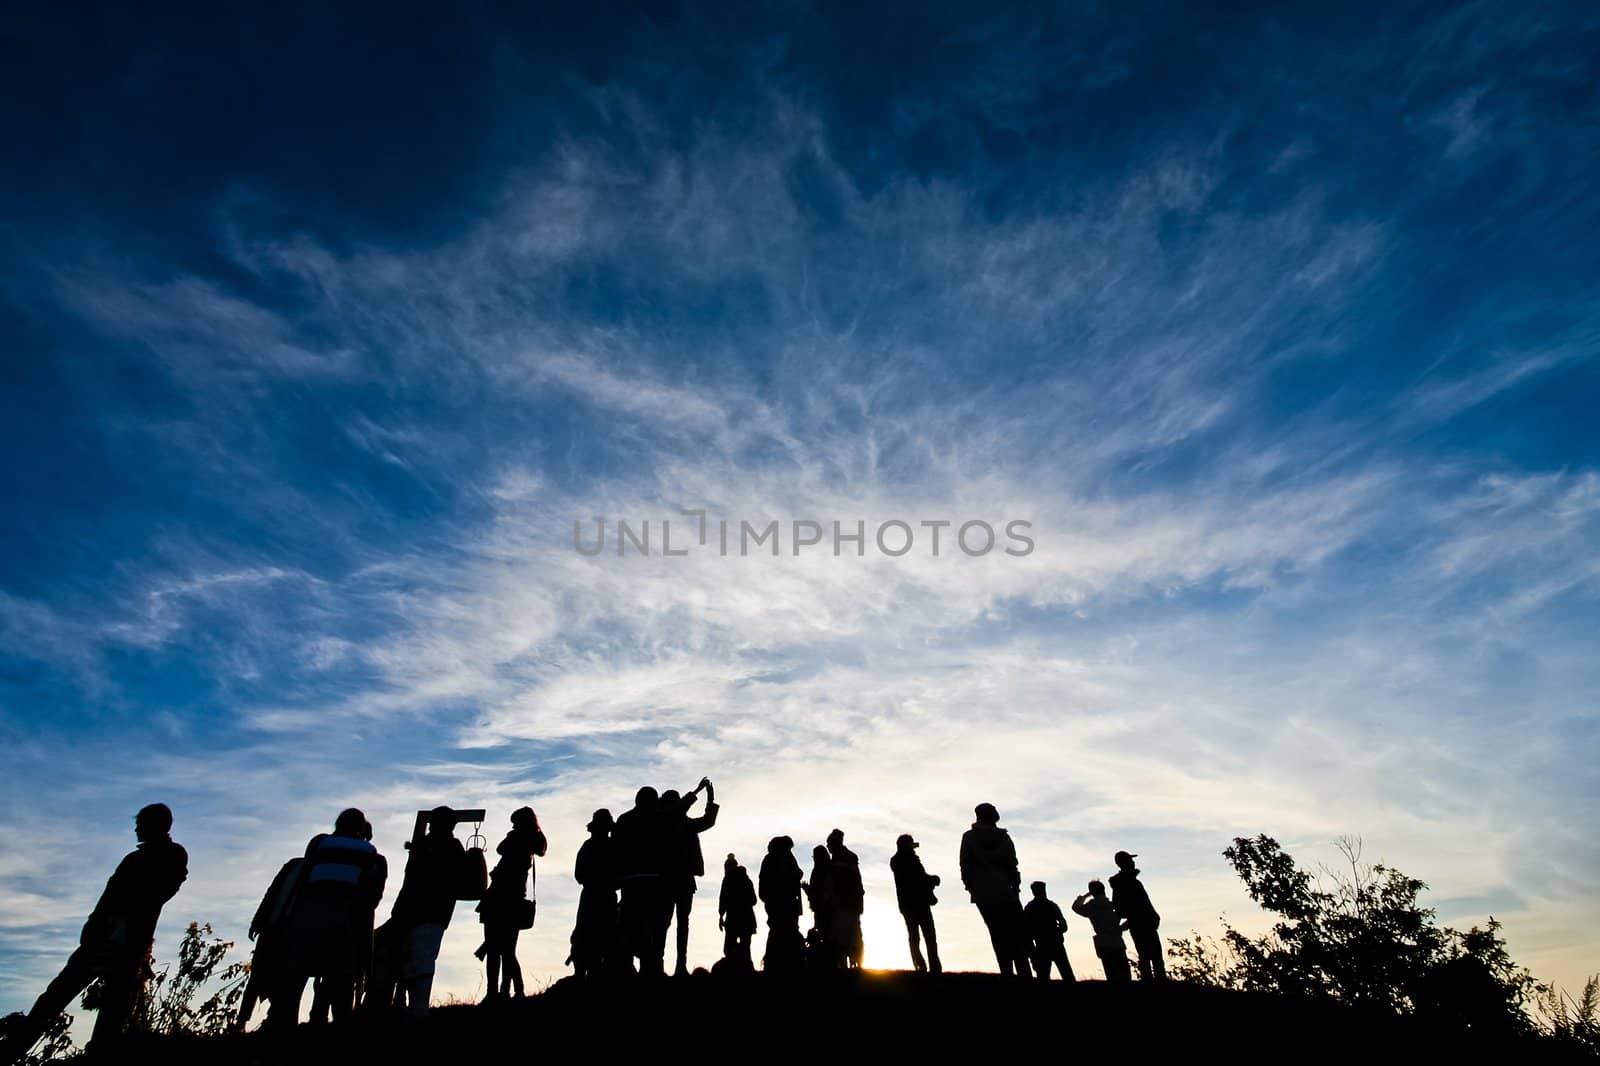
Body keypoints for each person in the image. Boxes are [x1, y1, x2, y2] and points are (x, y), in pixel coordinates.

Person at [1, 804, 187, 1062]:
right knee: (57, 997)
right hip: (102, 939)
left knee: (109, 1009)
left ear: (154, 825)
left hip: (127, 943)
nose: (136, 828)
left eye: (140, 823)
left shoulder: (171, 855)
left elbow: (163, 888)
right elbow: (109, 897)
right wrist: (93, 926)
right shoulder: (134, 859)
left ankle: (94, 1057)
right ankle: (14, 1050)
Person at [267, 808, 387, 1028]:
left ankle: (282, 1028)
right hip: (343, 918)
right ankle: (339, 1026)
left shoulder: (319, 843)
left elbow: (304, 873)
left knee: (295, 978)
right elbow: (370, 895)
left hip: (307, 915)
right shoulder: (370, 853)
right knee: (341, 978)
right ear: (361, 828)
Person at [388, 807, 466, 1015]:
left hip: (428, 911)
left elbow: (414, 878)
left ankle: (416, 1007)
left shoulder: (446, 847)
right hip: (425, 911)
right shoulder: (447, 847)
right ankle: (407, 1004)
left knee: (417, 958)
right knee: (410, 957)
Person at [474, 807, 546, 1000]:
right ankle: (509, 991)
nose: (513, 826)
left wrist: (514, 834)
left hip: (501, 898)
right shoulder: (533, 839)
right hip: (510, 899)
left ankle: (498, 992)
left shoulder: (518, 839)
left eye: (515, 823)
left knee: (497, 949)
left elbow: (501, 848)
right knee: (506, 950)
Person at [959, 803, 1031, 977]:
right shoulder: (1004, 838)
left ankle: (1006, 971)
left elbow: (965, 865)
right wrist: (1015, 886)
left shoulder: (969, 838)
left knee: (997, 933)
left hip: (983, 893)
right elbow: (1012, 864)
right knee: (1015, 934)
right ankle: (1024, 973)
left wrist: (970, 887)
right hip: (1006, 891)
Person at [235, 856, 303, 1029]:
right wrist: (258, 920)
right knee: (259, 976)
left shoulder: (305, 868)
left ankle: (270, 1020)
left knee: (281, 980)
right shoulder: (294, 866)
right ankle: (242, 1022)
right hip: (275, 927)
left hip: (289, 931)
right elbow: (272, 892)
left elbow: (272, 892)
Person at [613, 787, 674, 975]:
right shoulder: (661, 820)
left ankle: (628, 971)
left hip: (631, 883)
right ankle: (651, 972)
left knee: (631, 931)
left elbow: (616, 851)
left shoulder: (624, 820)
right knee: (654, 932)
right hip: (655, 883)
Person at [662, 777, 719, 976]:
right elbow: (679, 810)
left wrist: (710, 799)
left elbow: (707, 821)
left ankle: (680, 964)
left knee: (682, 923)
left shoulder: (685, 824)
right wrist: (697, 790)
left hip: (685, 880)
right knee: (665, 922)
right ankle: (659, 963)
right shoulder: (665, 821)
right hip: (668, 879)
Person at [569, 808, 617, 978]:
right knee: (598, 934)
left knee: (588, 933)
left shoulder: (589, 846)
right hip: (601, 896)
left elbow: (579, 875)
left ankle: (586, 971)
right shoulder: (613, 846)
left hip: (593, 895)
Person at [1109, 850, 1165, 981]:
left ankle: (1153, 980)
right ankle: (1157, 981)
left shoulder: (1127, 882)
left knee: (1148, 955)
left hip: (1141, 922)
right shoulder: (1125, 883)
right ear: (1123, 863)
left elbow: (1120, 907)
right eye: (1130, 860)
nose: (1133, 862)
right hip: (1141, 923)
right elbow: (1123, 907)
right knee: (1152, 956)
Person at [889, 834, 942, 974]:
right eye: (910, 843)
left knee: (918, 937)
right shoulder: (905, 860)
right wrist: (933, 880)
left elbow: (917, 877)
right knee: (925, 937)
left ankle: (923, 966)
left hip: (910, 904)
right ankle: (929, 967)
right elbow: (917, 878)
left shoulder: (897, 860)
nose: (913, 846)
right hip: (916, 903)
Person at [758, 836, 804, 973]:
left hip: (785, 904)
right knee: (779, 934)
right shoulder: (778, 859)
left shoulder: (784, 858)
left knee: (783, 934)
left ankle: (784, 964)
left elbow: (798, 873)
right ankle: (775, 964)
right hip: (780, 904)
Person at [1072, 881, 1130, 981]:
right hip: (1117, 941)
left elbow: (1076, 907)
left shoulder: (1091, 907)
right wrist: (1120, 928)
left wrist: (1085, 896)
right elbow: (1129, 916)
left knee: (1111, 974)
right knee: (1124, 973)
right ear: (1103, 890)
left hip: (1103, 942)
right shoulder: (1113, 905)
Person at [826, 829, 864, 969]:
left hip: (844, 903)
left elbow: (845, 883)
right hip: (850, 903)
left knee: (845, 935)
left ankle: (847, 964)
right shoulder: (848, 857)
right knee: (852, 935)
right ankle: (854, 963)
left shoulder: (841, 859)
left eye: (829, 843)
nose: (828, 846)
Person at [1024, 881, 1074, 982]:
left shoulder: (1029, 907)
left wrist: (1031, 949)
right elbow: (1063, 925)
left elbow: (1026, 930)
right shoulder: (1051, 905)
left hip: (1041, 945)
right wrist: (1057, 932)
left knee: (1043, 977)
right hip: (1055, 944)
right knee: (1067, 975)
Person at [717, 853, 757, 971]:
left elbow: (722, 899)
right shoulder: (746, 879)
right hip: (747, 919)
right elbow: (754, 900)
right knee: (746, 949)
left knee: (729, 950)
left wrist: (721, 915)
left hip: (733, 920)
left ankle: (733, 971)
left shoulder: (727, 880)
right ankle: (747, 970)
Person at [803, 844, 836, 967]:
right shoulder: (821, 869)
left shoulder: (824, 870)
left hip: (826, 908)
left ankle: (828, 963)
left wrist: (810, 892)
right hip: (821, 907)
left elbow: (826, 890)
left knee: (827, 935)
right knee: (824, 935)